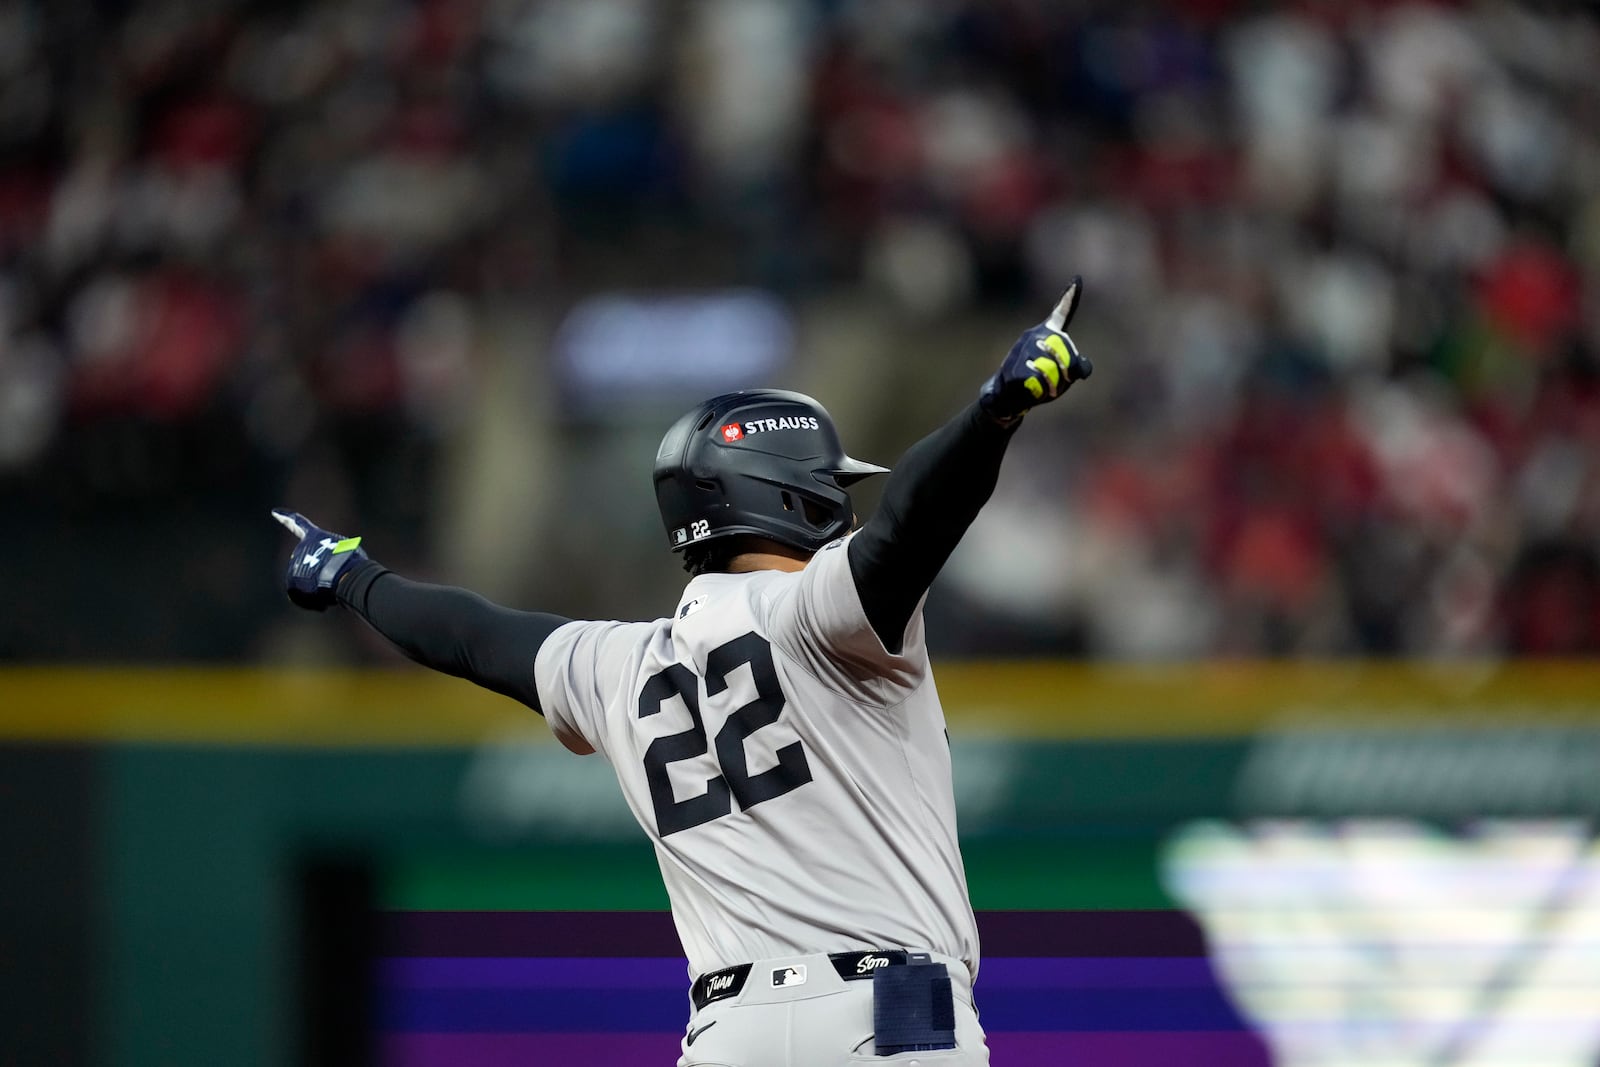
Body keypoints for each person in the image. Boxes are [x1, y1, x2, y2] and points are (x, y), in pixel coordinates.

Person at [272, 280, 1092, 1065]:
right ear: (796, 495)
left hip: (727, 1032)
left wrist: (354, 578)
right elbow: (911, 524)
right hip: (890, 1012)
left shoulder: (616, 663)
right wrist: (996, 411)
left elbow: (472, 635)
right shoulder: (816, 610)